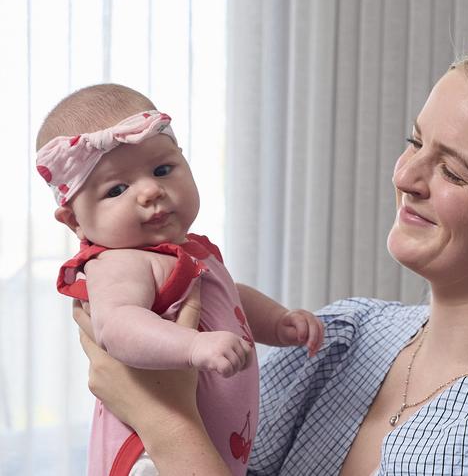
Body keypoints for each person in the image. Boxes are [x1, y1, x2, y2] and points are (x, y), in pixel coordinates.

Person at [74, 44, 468, 475]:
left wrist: (165, 421)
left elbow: (184, 443)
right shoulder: (345, 336)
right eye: (414, 143)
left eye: (453, 170)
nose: (405, 178)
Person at [35, 84, 324, 476]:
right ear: (75, 221)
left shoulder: (186, 251)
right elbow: (116, 326)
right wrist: (192, 346)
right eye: (117, 189)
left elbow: (228, 300)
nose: (151, 190)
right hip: (148, 457)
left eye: (162, 169)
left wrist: (276, 321)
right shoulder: (120, 262)